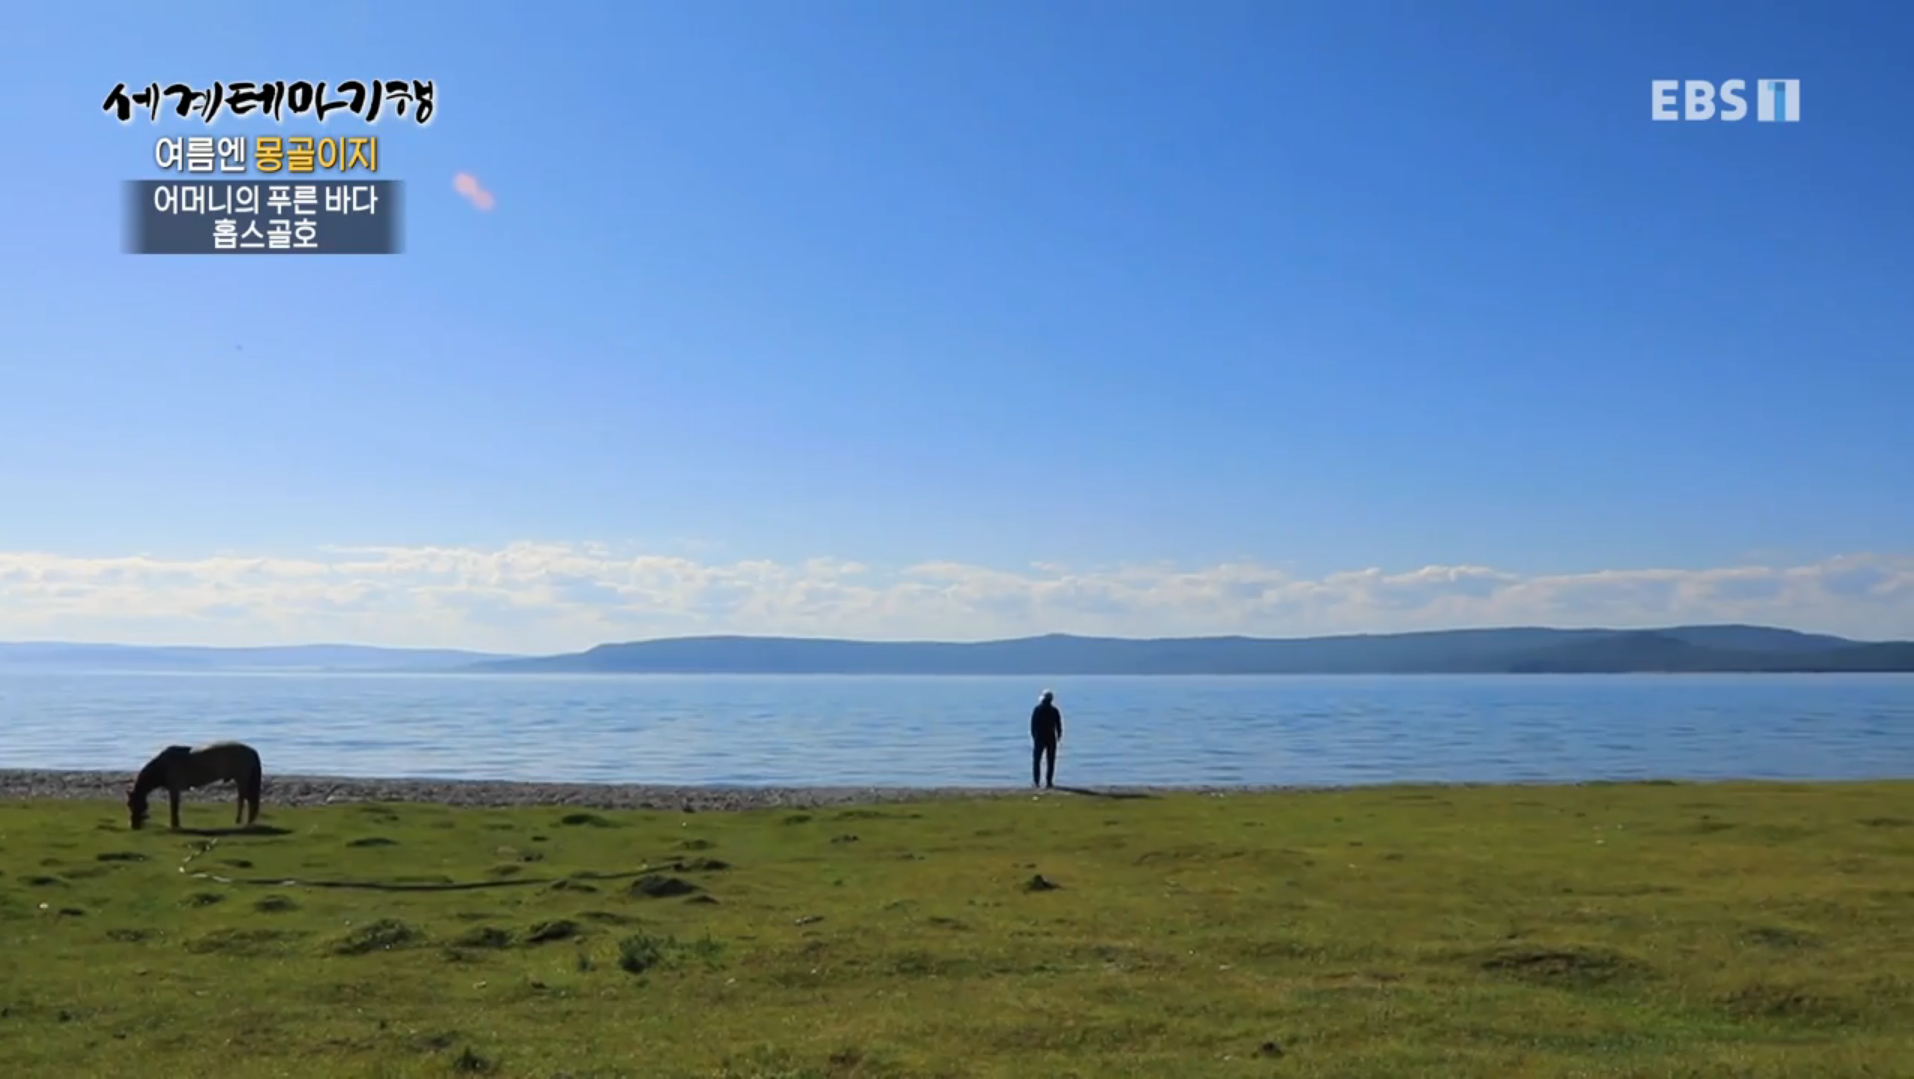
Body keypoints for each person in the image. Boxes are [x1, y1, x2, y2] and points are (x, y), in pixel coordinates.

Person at [1030, 689, 1063, 789]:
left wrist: (1034, 736)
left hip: (1040, 737)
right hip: (1051, 737)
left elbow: (1033, 725)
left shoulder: (1037, 709)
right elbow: (1059, 726)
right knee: (1051, 760)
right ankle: (1049, 781)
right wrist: (1059, 736)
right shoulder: (1054, 711)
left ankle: (1036, 781)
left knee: (1037, 760)